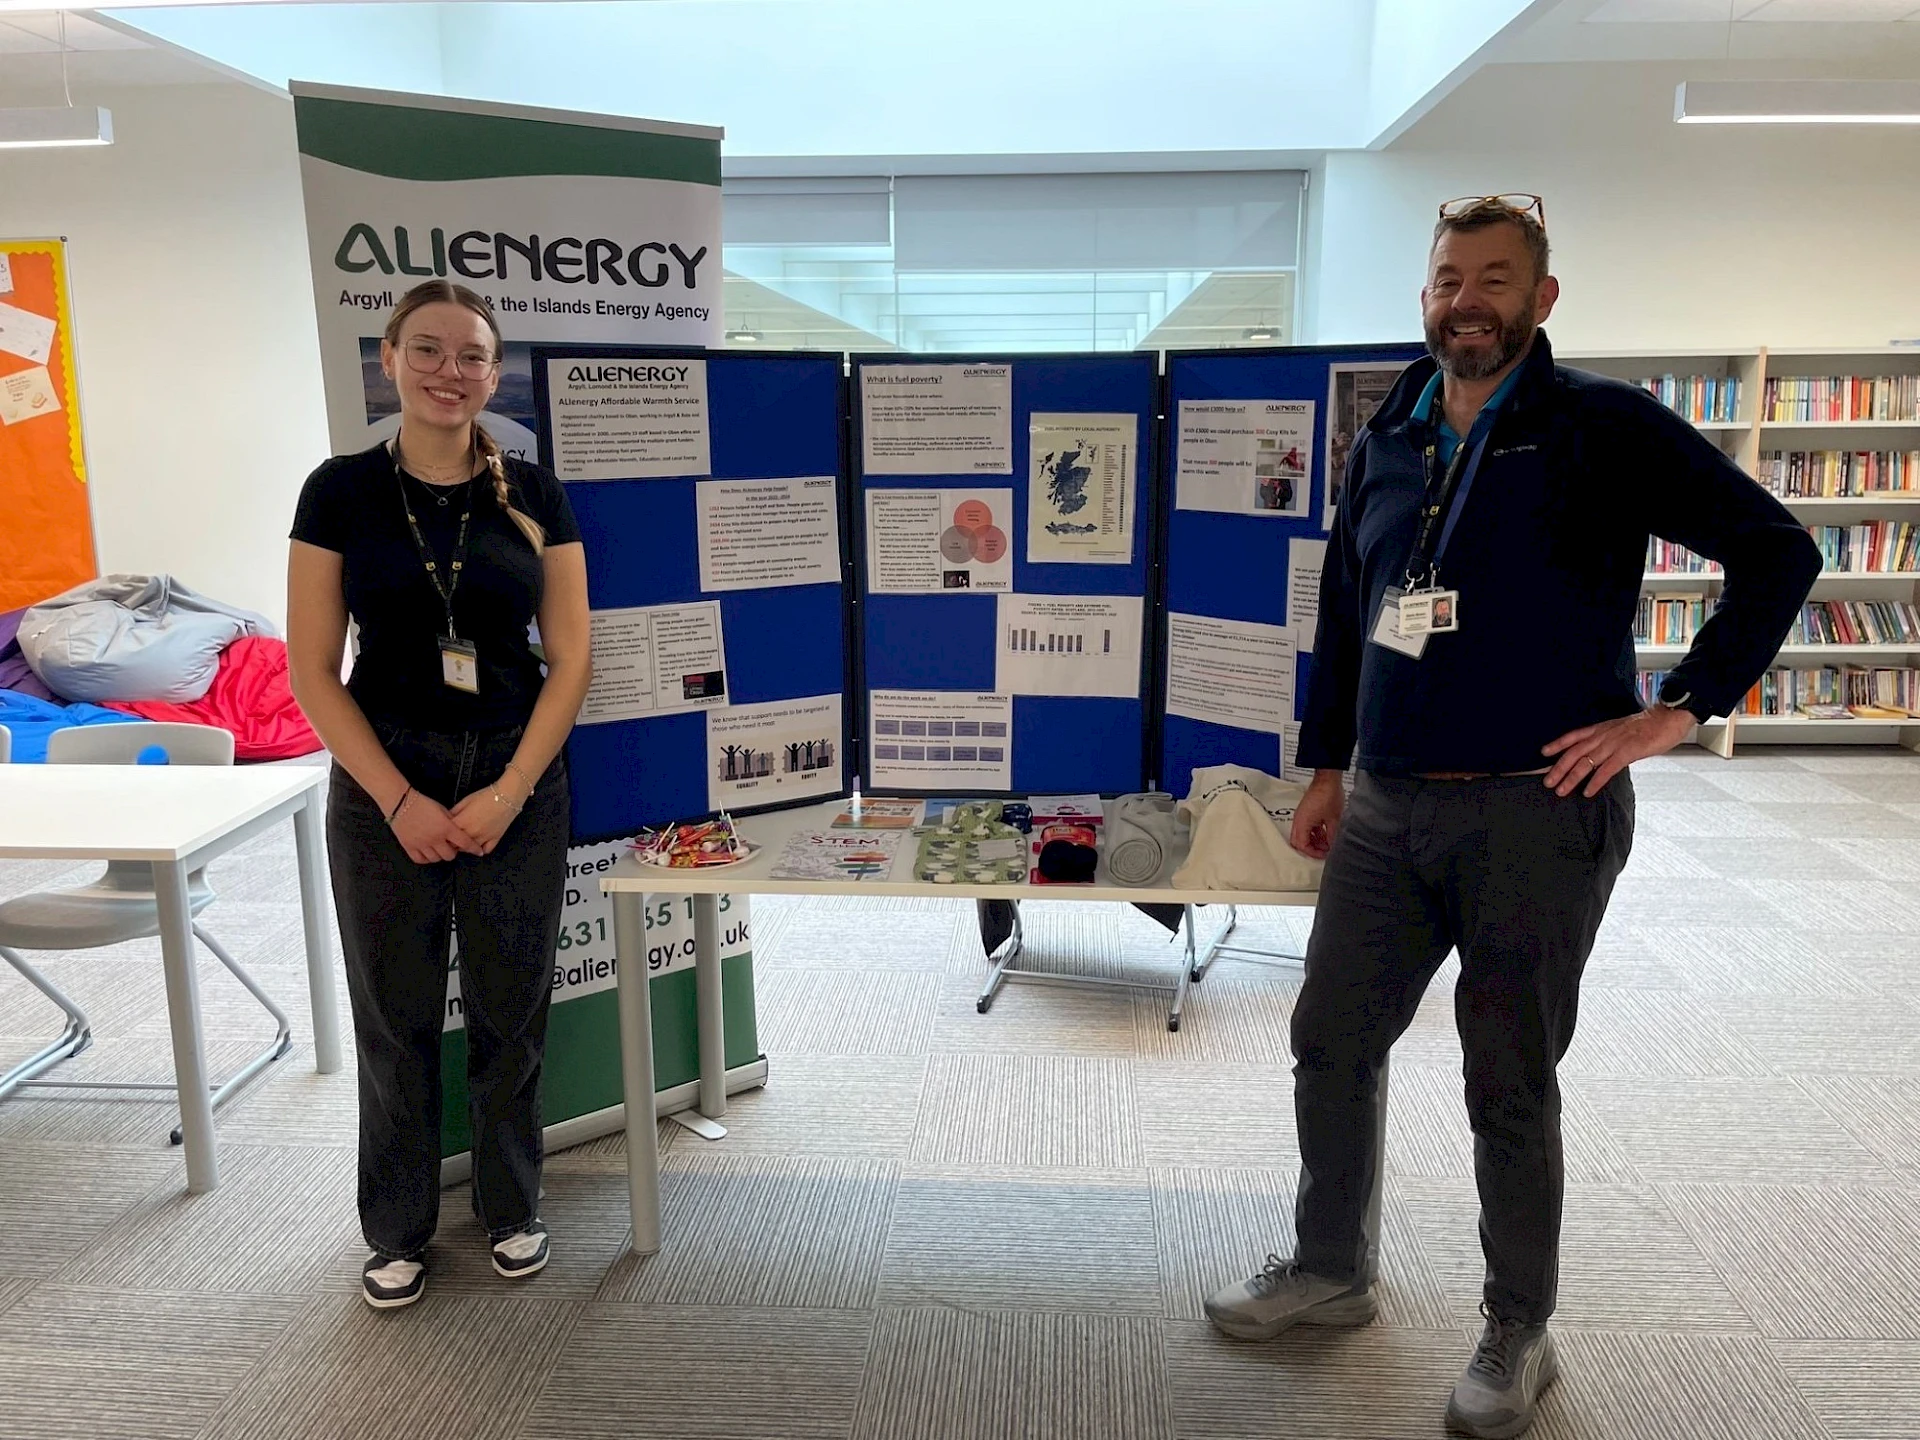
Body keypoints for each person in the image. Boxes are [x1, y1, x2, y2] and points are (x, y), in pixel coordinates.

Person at [1201, 195, 1820, 1437]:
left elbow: (1778, 551)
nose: (1465, 302)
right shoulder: (1390, 433)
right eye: (1447, 279)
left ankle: (1517, 1328)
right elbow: (1347, 610)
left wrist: (1676, 713)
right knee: (1331, 1038)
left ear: (1542, 298)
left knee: (1507, 1079)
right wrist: (1326, 769)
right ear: (1424, 296)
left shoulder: (1602, 425)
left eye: (1493, 279)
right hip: (1385, 809)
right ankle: (1330, 1268)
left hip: (1538, 814)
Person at [287, 279, 592, 1310]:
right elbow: (312, 671)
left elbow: (573, 658)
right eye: (426, 350)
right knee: (394, 1015)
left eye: (470, 356)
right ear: (388, 360)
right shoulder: (338, 491)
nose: (447, 372)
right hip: (387, 774)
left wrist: (510, 791)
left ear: (494, 375)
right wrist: (395, 801)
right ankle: (397, 1229)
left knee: (512, 1008)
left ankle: (511, 1207)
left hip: (515, 773)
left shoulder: (535, 493)